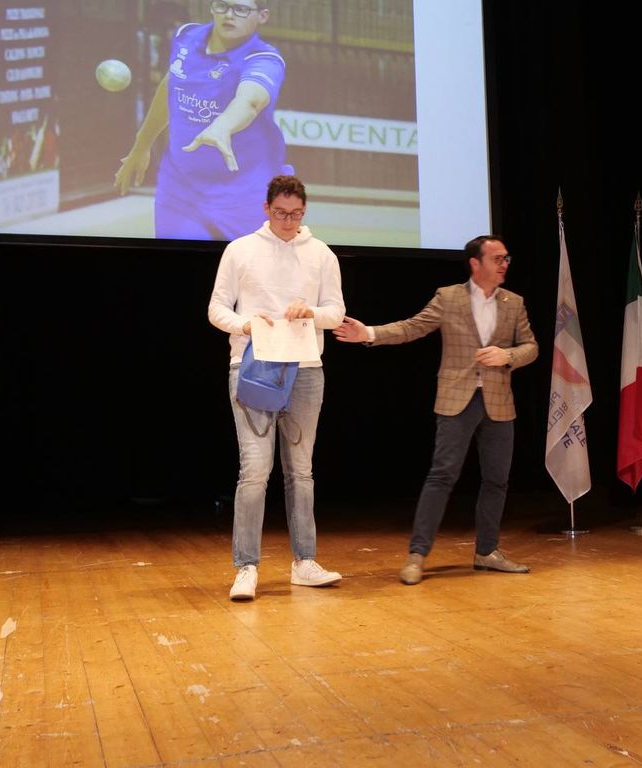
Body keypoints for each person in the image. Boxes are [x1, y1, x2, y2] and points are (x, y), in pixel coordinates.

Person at [333, 236, 539, 585]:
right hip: (457, 398)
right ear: (475, 263)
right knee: (442, 476)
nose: (504, 264)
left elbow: (530, 346)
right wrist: (368, 333)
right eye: (497, 258)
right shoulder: (449, 297)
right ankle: (417, 555)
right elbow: (412, 327)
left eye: (507, 258)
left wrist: (508, 356)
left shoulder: (513, 302)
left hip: (499, 401)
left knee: (497, 479)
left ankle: (487, 551)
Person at [208, 175, 345, 601]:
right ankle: (246, 566)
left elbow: (336, 311)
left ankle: (305, 562)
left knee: (301, 470)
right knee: (254, 469)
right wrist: (245, 323)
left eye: (297, 214)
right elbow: (216, 308)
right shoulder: (240, 250)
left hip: (305, 369)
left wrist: (313, 311)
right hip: (253, 366)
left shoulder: (321, 253)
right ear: (266, 208)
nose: (289, 221)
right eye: (282, 213)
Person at [115, 0, 288, 241]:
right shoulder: (186, 36)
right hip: (180, 189)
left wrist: (222, 127)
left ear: (262, 16)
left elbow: (250, 101)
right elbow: (171, 87)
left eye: (241, 9)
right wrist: (141, 146)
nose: (229, 14)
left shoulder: (263, 58)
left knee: (245, 265)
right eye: (222, 6)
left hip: (243, 194)